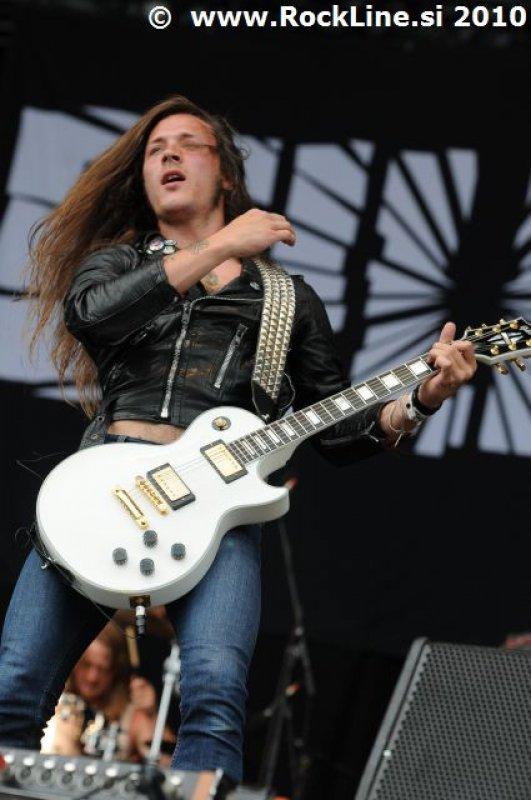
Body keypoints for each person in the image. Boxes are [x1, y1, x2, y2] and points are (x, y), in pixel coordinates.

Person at [0, 95, 476, 790]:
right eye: (155, 148)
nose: (167, 153)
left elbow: (338, 432)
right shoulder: (117, 264)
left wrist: (422, 398)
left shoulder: (286, 299)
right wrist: (220, 245)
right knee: (14, 684)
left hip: (215, 510)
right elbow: (93, 316)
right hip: (100, 493)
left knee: (216, 691)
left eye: (186, 143)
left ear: (224, 172)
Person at [40, 623, 174, 763]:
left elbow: (165, 764)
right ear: (73, 662)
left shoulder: (131, 715)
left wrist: (151, 715)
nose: (92, 677)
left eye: (103, 669)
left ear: (115, 670)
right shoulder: (49, 700)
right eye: (86, 665)